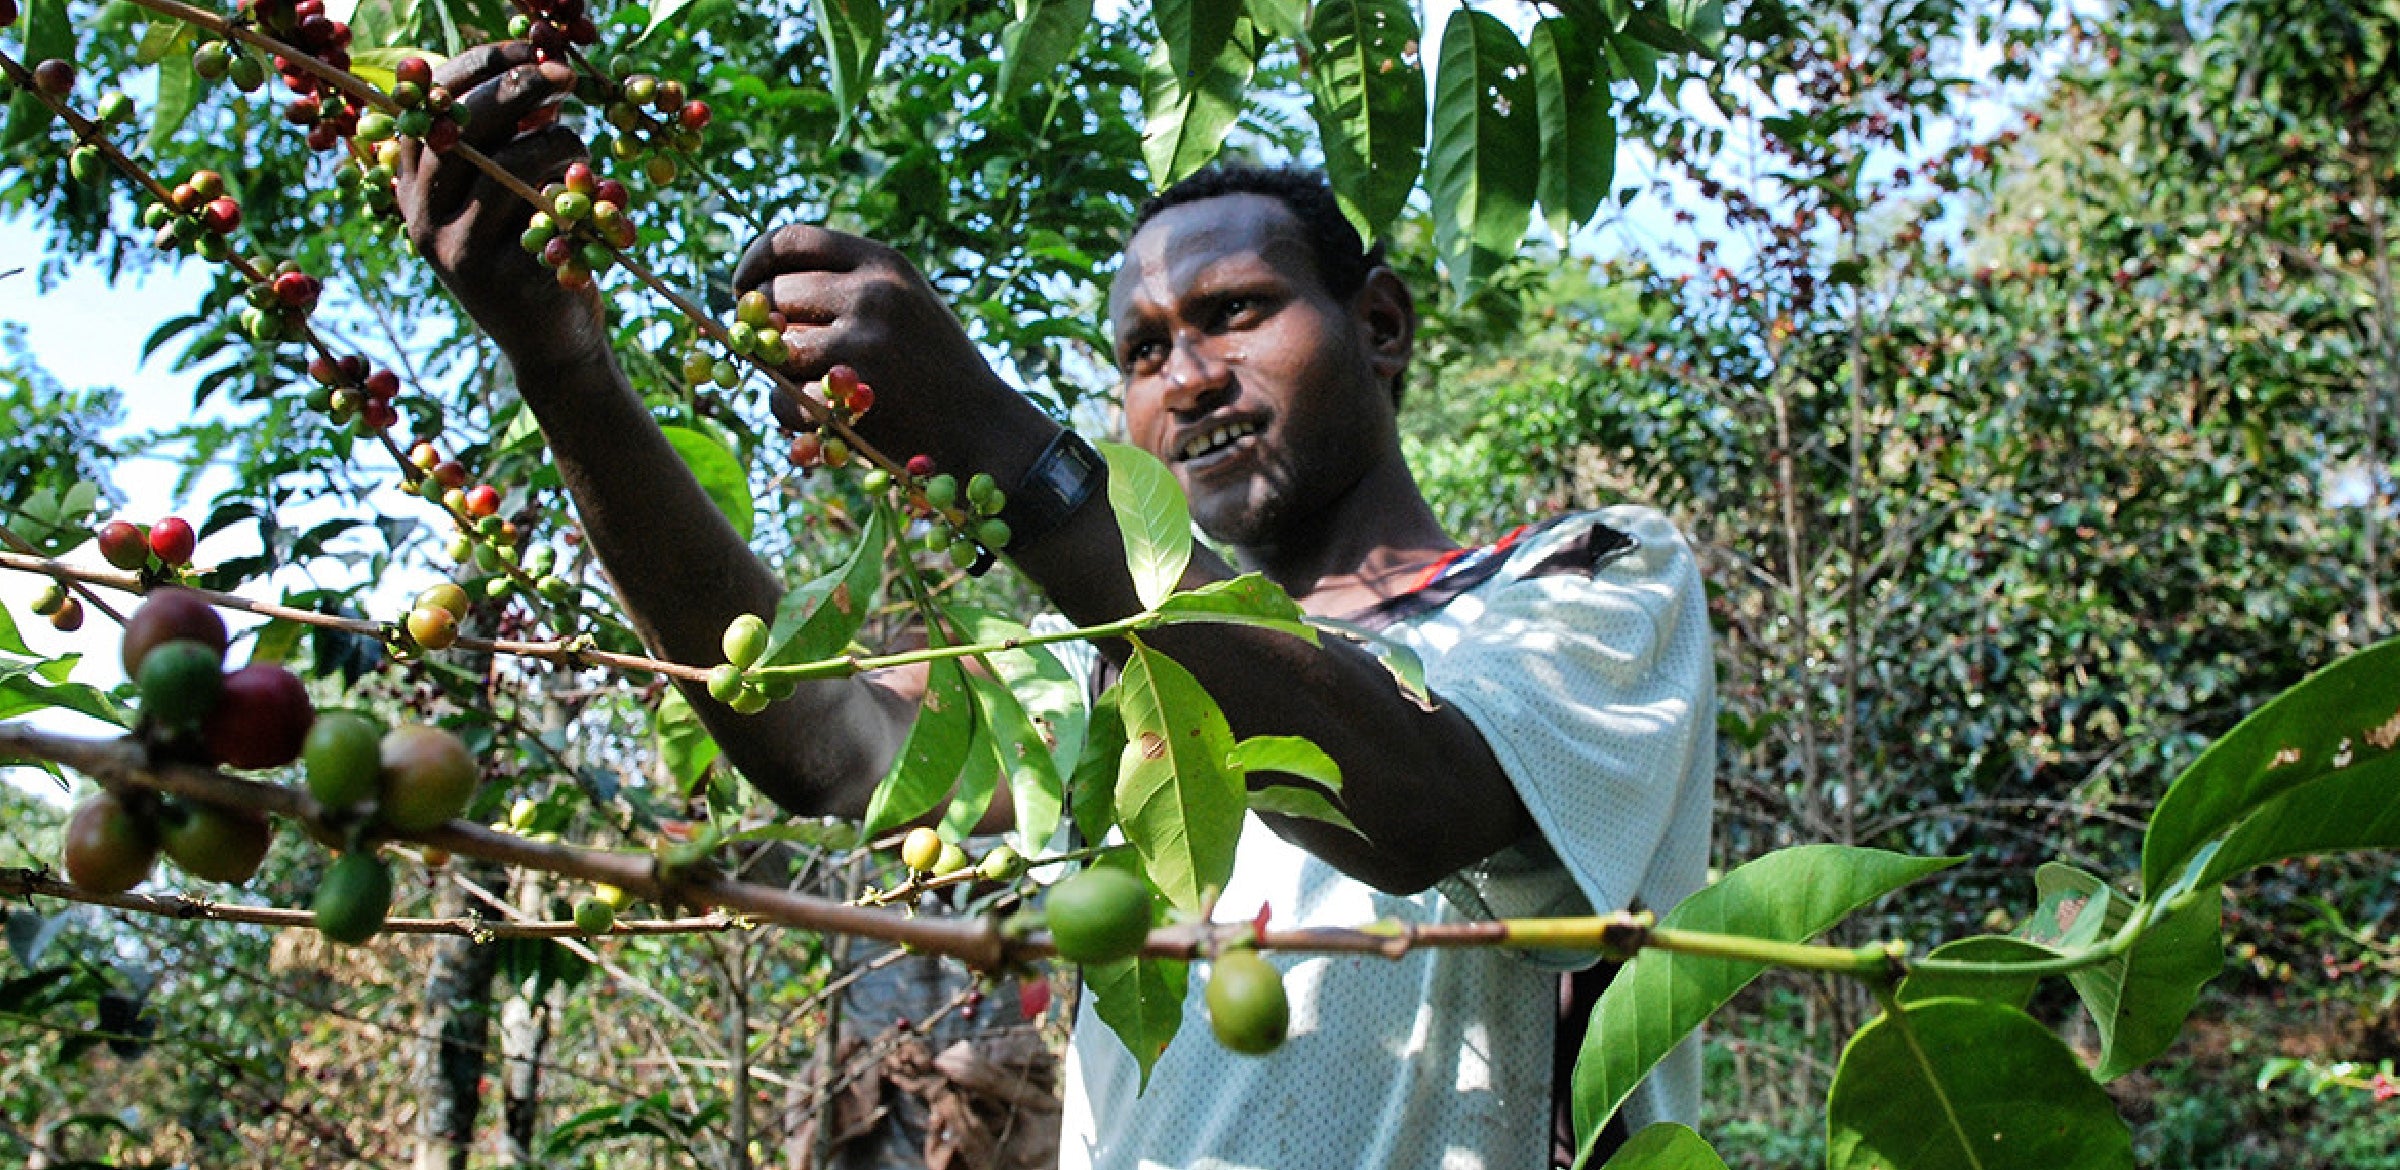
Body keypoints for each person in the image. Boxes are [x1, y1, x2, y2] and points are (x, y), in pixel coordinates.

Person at [399, 41, 1715, 1170]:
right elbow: (818, 736)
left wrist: (1001, 444)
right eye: (1142, 351)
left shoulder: (1582, 577)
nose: (1188, 378)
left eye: (1237, 312)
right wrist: (562, 366)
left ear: (1378, 323)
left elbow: (1415, 797)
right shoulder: (1106, 668)